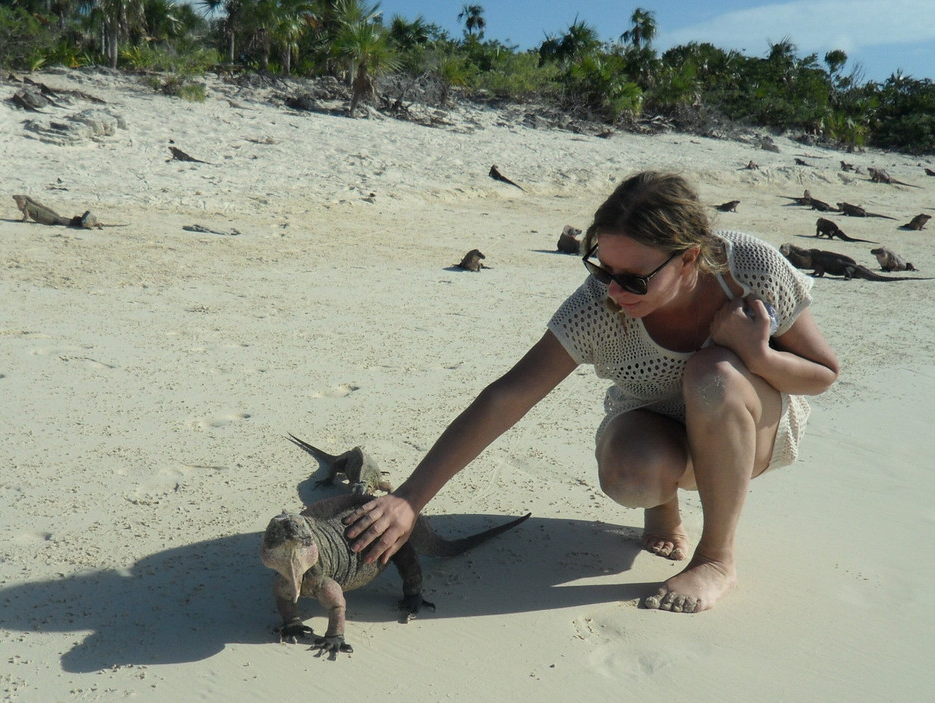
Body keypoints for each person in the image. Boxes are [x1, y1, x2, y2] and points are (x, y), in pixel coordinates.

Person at [344, 171, 839, 613]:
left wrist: (759, 355)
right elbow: (509, 396)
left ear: (689, 259)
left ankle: (716, 559)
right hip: (656, 422)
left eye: (633, 279)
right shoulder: (597, 309)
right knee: (629, 473)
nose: (614, 292)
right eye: (601, 269)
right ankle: (662, 506)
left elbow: (823, 373)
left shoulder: (748, 269)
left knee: (713, 375)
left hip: (749, 424)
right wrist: (410, 498)